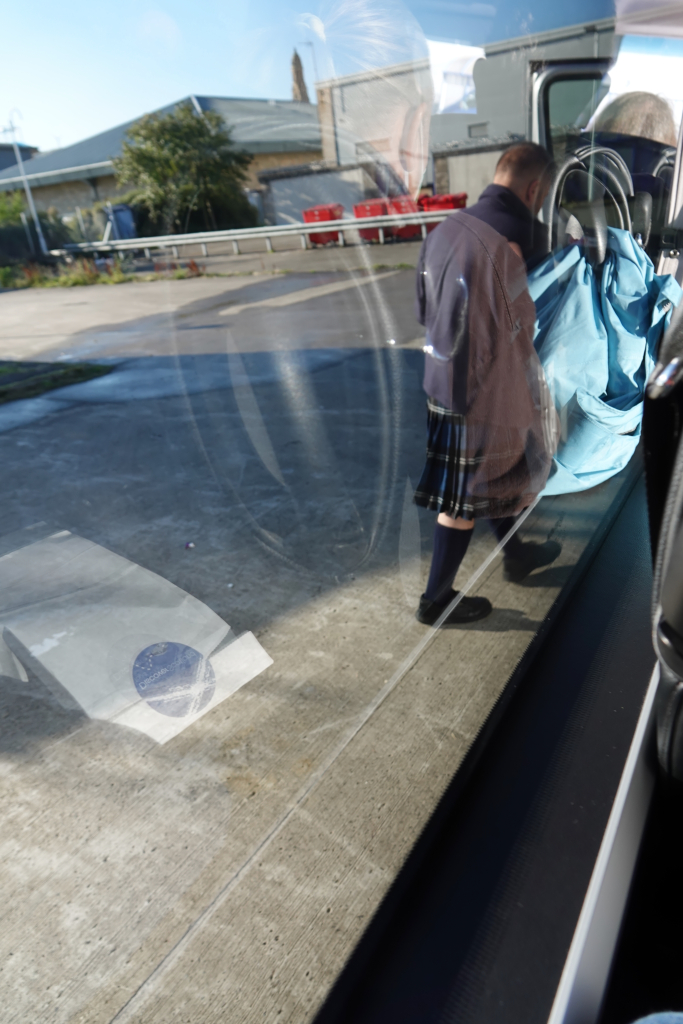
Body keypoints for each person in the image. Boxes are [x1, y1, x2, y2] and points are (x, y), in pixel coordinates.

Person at [414, 142, 561, 626]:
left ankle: (516, 555)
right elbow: (544, 321)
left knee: (494, 477)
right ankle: (436, 600)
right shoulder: (528, 235)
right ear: (535, 188)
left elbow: (423, 312)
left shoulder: (442, 231)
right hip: (487, 391)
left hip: (442, 381)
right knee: (463, 499)